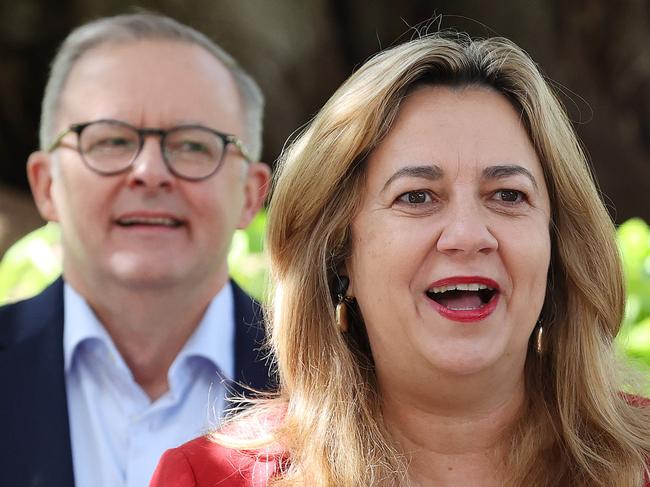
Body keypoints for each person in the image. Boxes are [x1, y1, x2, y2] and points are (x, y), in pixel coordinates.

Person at [151, 31, 650, 487]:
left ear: (556, 243)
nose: (467, 235)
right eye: (417, 197)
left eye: (507, 195)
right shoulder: (206, 479)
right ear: (339, 253)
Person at [0, 12, 274, 487]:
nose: (150, 170)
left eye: (192, 145)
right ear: (46, 186)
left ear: (250, 195)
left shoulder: (335, 383)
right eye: (111, 140)